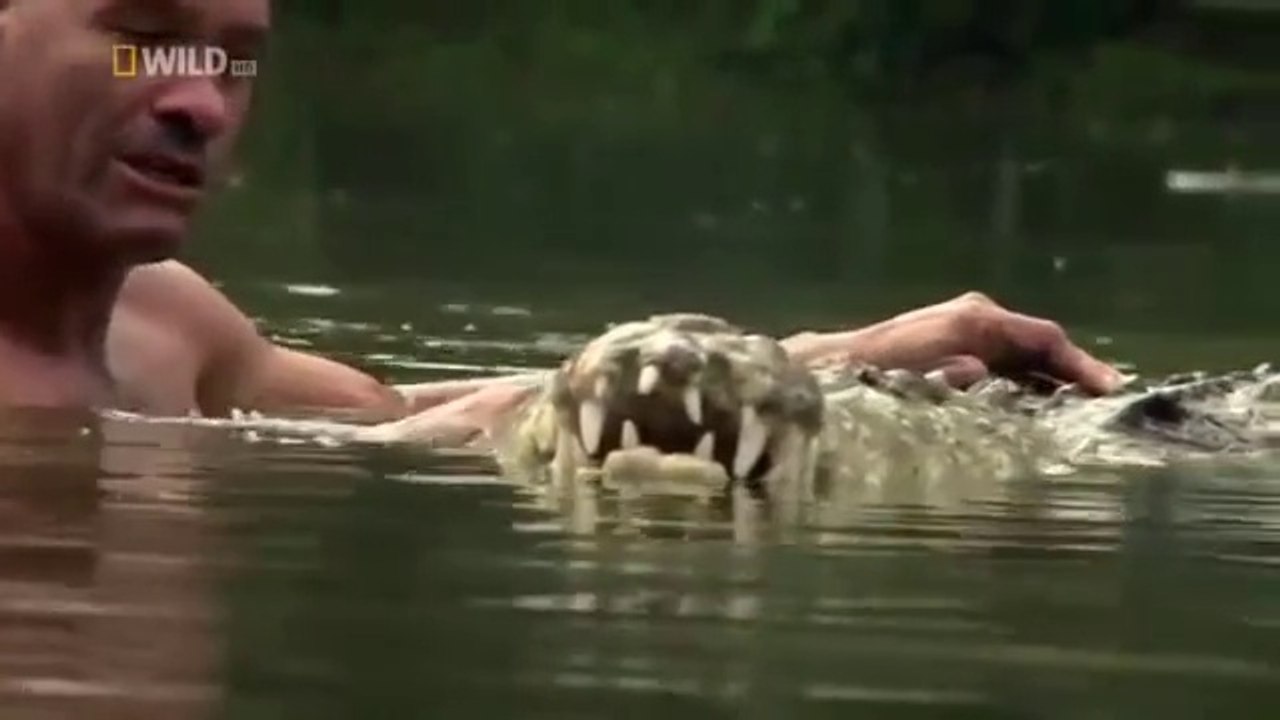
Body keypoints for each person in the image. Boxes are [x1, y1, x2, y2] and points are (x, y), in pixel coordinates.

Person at [0, 0, 1123, 439]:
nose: (199, 101)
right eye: (137, 35)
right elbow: (409, 446)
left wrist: (843, 360)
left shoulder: (168, 327)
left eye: (237, 62)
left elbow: (389, 424)